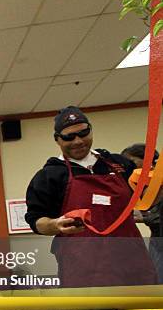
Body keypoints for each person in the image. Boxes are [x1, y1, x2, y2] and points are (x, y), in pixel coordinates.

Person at [25, 106, 157, 287]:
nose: (78, 141)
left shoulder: (119, 164)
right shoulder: (50, 176)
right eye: (69, 137)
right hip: (84, 268)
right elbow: (36, 220)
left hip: (131, 261)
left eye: (83, 133)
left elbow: (147, 198)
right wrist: (55, 225)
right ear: (57, 140)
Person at [121, 144, 163, 283]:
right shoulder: (137, 185)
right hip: (157, 243)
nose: (128, 167)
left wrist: (145, 216)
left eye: (131, 163)